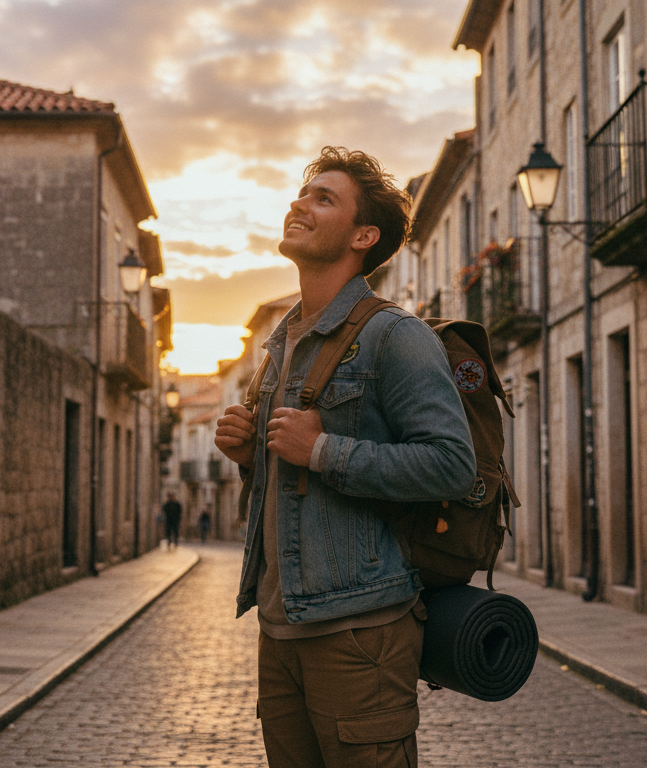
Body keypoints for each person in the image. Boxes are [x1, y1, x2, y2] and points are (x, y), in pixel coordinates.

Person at [214, 146, 475, 768]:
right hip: (279, 628)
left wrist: (323, 448)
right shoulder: (280, 346)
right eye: (303, 193)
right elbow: (289, 477)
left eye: (322, 198)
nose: (299, 204)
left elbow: (451, 465)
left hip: (360, 631)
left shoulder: (394, 335)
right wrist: (250, 455)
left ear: (365, 235)